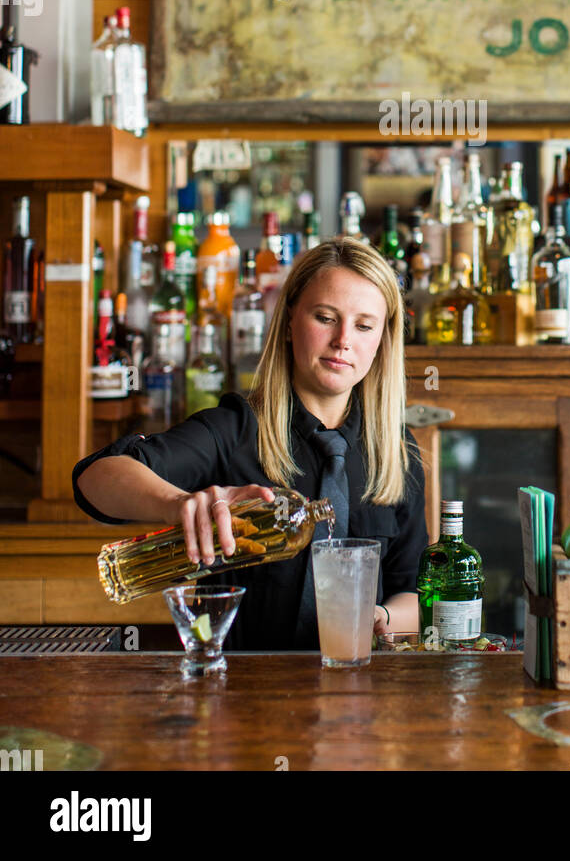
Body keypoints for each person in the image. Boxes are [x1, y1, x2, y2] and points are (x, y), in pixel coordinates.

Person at [73, 238, 428, 650]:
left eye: (364, 325)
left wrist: (381, 617)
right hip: (244, 696)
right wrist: (178, 504)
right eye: (326, 317)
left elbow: (413, 594)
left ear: (383, 340)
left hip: (357, 692)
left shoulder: (396, 451)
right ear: (291, 320)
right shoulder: (235, 428)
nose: (343, 340)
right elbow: (94, 479)